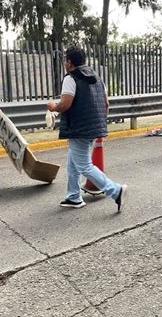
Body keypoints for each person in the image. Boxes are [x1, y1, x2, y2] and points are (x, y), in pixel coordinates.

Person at [47, 47, 127, 211]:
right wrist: (98, 124)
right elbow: (106, 104)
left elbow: (66, 103)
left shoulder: (71, 78)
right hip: (93, 126)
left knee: (84, 165)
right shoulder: (98, 78)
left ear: (69, 62)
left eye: (65, 60)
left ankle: (115, 190)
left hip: (78, 128)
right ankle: (73, 197)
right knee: (73, 162)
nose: (64, 63)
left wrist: (53, 107)